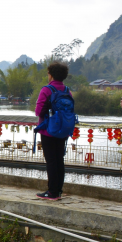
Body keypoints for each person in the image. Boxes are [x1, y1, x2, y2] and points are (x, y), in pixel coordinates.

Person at [35, 62, 73, 200]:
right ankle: (58, 191)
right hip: (63, 130)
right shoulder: (67, 90)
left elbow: (38, 111)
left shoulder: (47, 90)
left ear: (51, 75)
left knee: (51, 161)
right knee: (59, 160)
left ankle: (52, 192)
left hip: (48, 130)